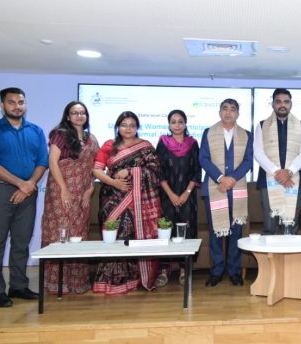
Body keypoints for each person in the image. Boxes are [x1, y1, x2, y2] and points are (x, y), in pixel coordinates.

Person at [0, 87, 48, 308]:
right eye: (11, 102)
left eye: (20, 102)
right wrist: (22, 184)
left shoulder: (35, 130)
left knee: (21, 241)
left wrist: (29, 185)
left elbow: (42, 161)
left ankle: (18, 286)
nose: (17, 106)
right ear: (2, 105)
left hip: (28, 192)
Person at [92, 111, 162, 294]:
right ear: (118, 127)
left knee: (129, 235)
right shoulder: (109, 145)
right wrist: (114, 182)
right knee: (112, 235)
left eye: (132, 125)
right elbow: (96, 170)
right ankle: (109, 280)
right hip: (111, 197)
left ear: (137, 128)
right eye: (124, 125)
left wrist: (131, 171)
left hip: (137, 201)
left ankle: (131, 279)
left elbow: (155, 172)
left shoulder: (146, 147)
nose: (128, 129)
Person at [41, 101, 99, 294]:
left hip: (83, 192)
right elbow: (52, 162)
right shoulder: (60, 134)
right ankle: (57, 284)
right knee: (60, 233)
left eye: (82, 113)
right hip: (61, 191)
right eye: (74, 112)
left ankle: (77, 282)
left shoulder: (92, 139)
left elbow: (95, 167)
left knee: (78, 234)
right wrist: (64, 189)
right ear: (67, 116)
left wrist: (90, 189)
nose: (79, 116)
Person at [200, 99, 253, 287]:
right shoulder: (208, 133)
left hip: (236, 189)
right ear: (219, 112)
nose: (228, 112)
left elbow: (248, 161)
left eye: (232, 109)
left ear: (237, 114)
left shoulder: (247, 135)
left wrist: (232, 179)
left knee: (236, 232)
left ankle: (234, 271)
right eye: (225, 109)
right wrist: (221, 178)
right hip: (215, 188)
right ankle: (216, 271)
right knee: (216, 232)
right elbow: (203, 159)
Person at [254, 88, 301, 234]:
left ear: (291, 104)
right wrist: (277, 172)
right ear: (273, 104)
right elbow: (258, 152)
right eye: (278, 102)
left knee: (291, 224)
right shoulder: (262, 125)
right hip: (269, 179)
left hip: (294, 178)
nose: (282, 105)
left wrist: (289, 171)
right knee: (270, 224)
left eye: (286, 102)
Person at [155, 109, 201, 287]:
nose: (177, 125)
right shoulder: (163, 142)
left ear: (185, 124)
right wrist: (171, 194)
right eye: (173, 122)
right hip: (167, 196)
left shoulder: (193, 143)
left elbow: (196, 170)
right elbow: (158, 171)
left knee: (186, 231)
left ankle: (184, 270)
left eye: (180, 121)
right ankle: (164, 271)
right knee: (166, 231)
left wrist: (186, 193)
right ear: (169, 124)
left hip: (188, 197)